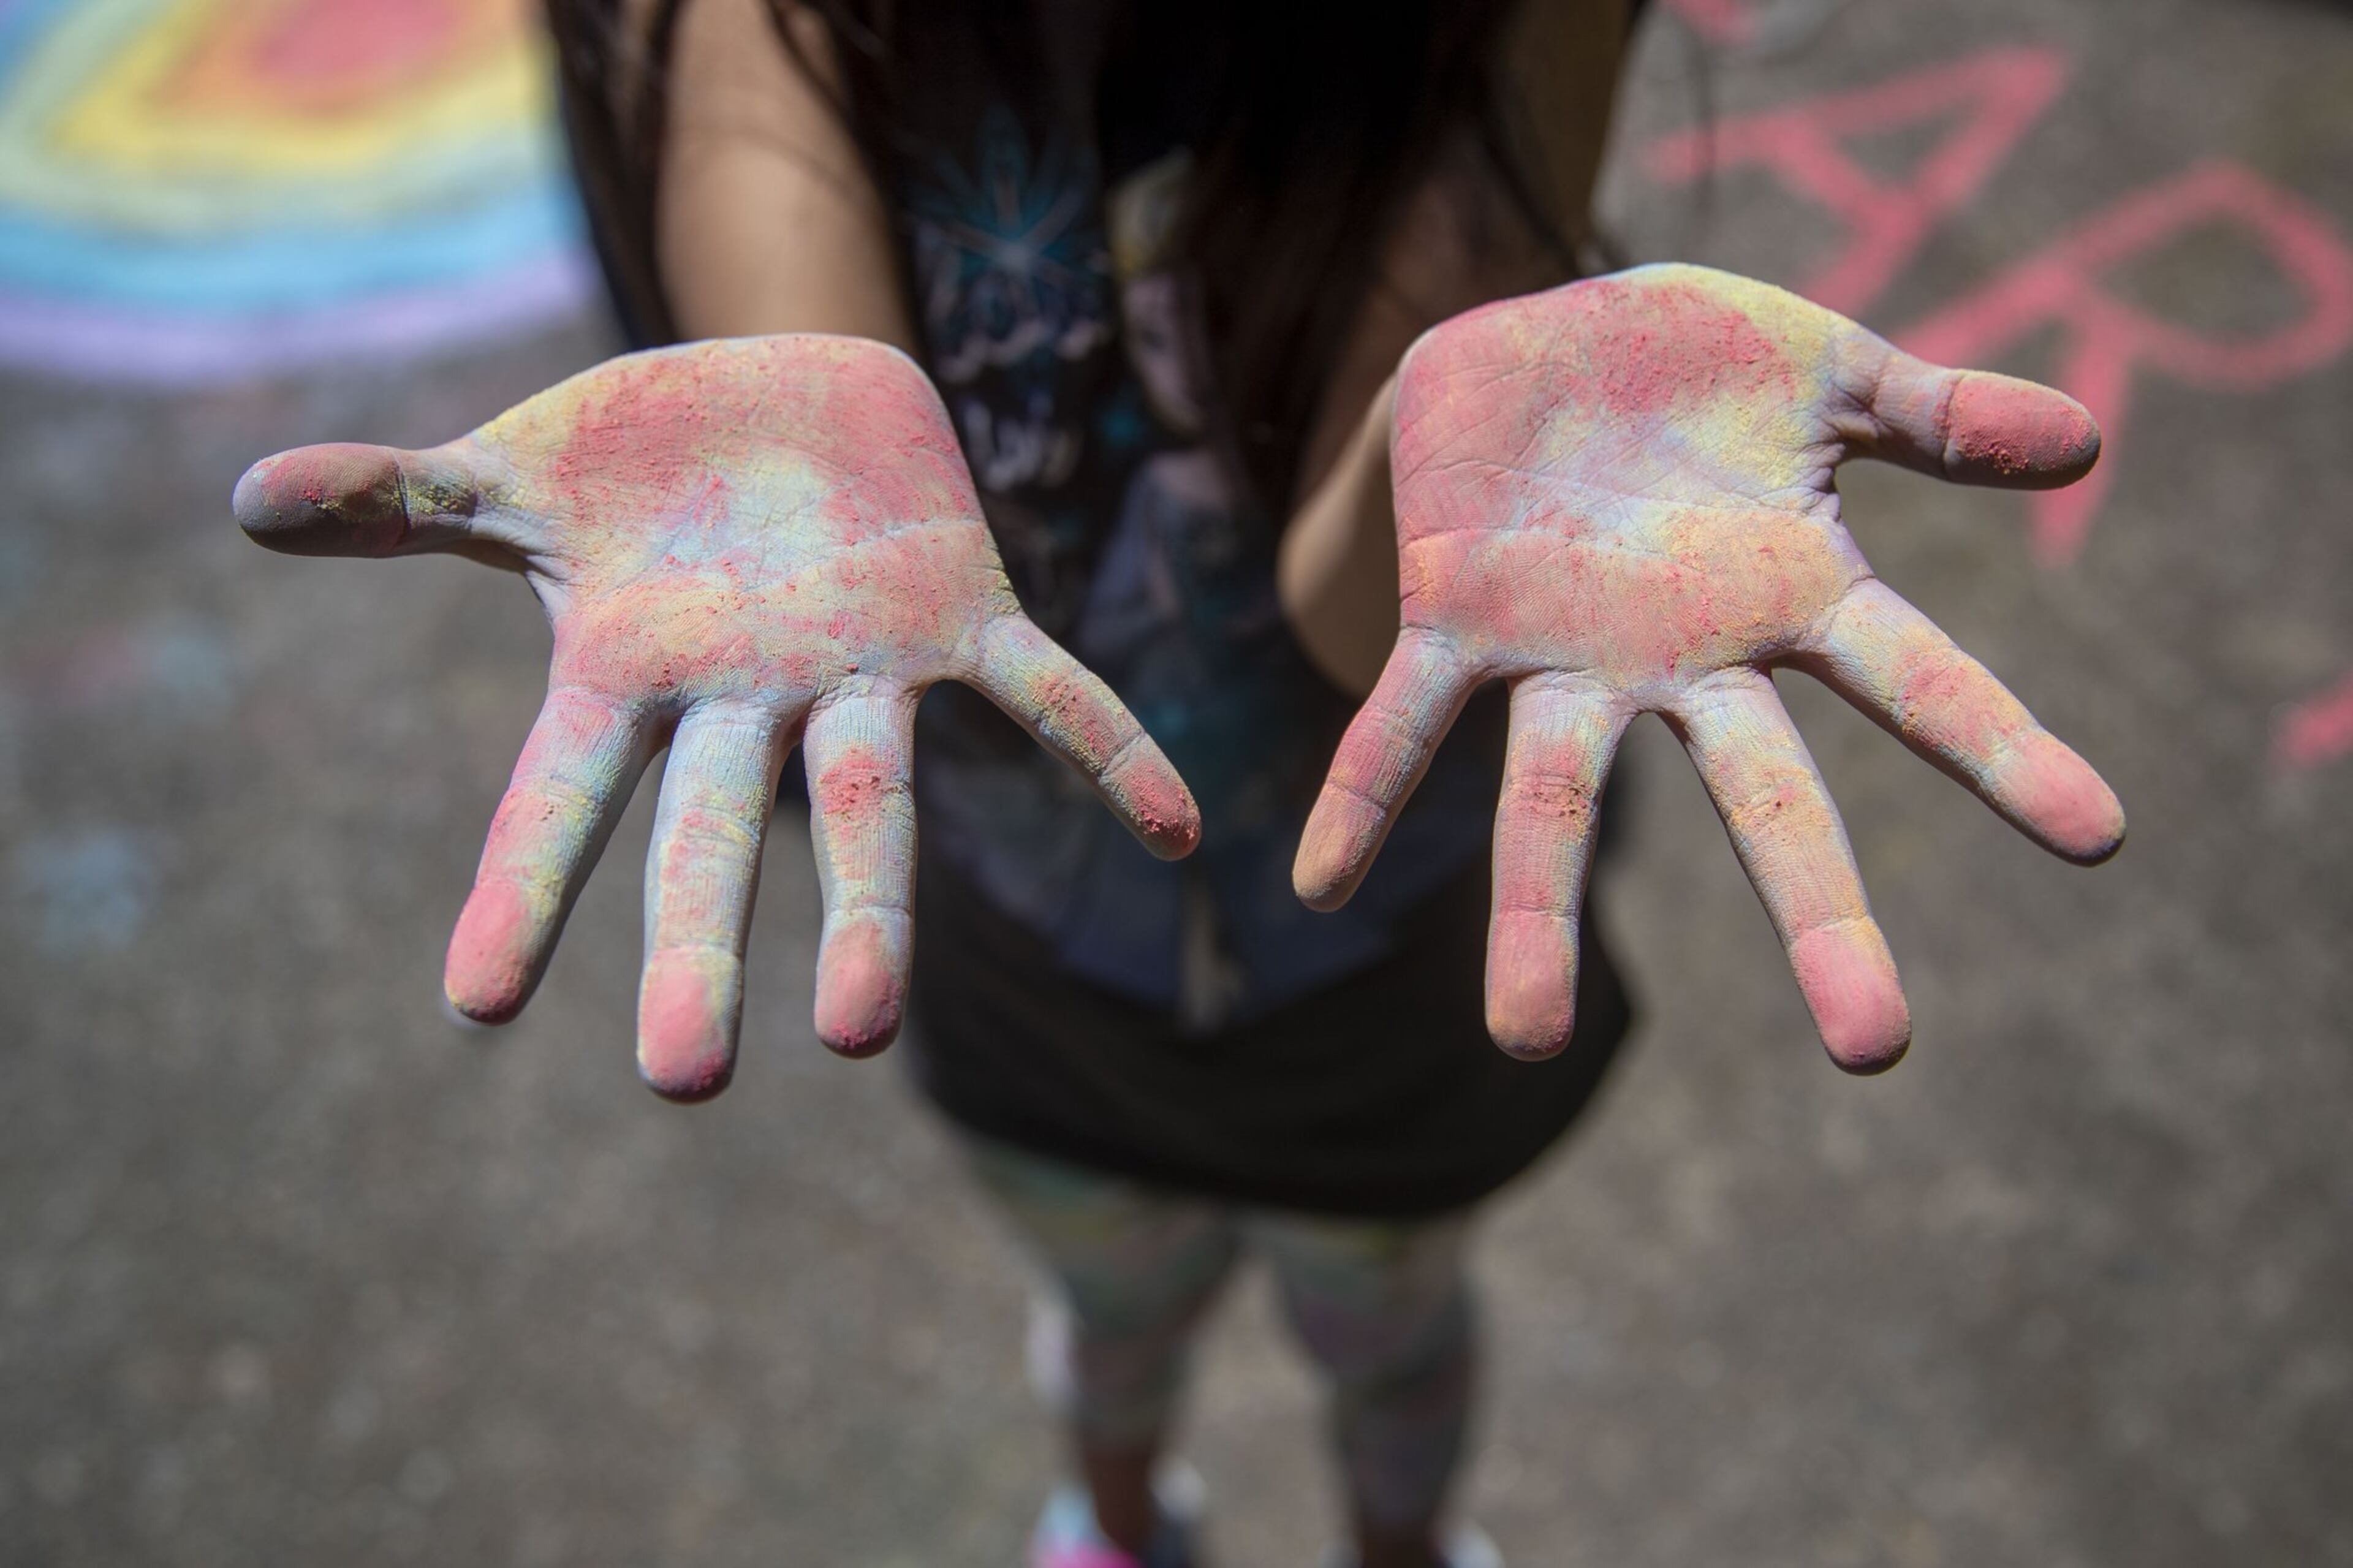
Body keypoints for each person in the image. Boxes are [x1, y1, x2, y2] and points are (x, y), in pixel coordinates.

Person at [229, 3, 2125, 1565]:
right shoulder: (763, 31)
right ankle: (1119, 1528)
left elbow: (1341, 622)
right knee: (1111, 1332)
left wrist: (1481, 427)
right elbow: (821, 405)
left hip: (1387, 974)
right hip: (1032, 971)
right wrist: (793, 468)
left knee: (1387, 1335)